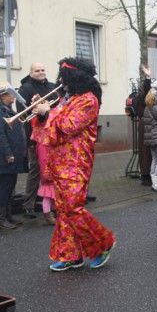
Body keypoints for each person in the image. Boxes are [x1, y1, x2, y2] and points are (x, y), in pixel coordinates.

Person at [32, 57, 116, 271]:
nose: (62, 83)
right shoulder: (65, 100)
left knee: (72, 207)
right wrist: (41, 115)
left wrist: (47, 113)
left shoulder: (88, 100)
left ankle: (101, 244)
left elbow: (69, 126)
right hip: (59, 161)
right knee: (63, 209)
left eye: (66, 79)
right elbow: (49, 130)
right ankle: (71, 254)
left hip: (76, 161)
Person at [16, 62, 58, 219]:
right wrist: (30, 140)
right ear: (31, 72)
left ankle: (52, 203)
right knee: (35, 170)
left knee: (52, 172)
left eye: (43, 70)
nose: (41, 73)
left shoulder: (51, 86)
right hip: (36, 137)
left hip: (53, 136)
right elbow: (24, 115)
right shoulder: (26, 88)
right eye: (37, 70)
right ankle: (29, 204)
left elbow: (58, 108)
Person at [0, 82, 26, 229]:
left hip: (10, 155)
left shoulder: (7, 110)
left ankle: (7, 215)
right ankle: (0, 219)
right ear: (2, 96)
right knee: (4, 186)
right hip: (2, 156)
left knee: (10, 185)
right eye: (11, 94)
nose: (13, 97)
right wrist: (8, 153)